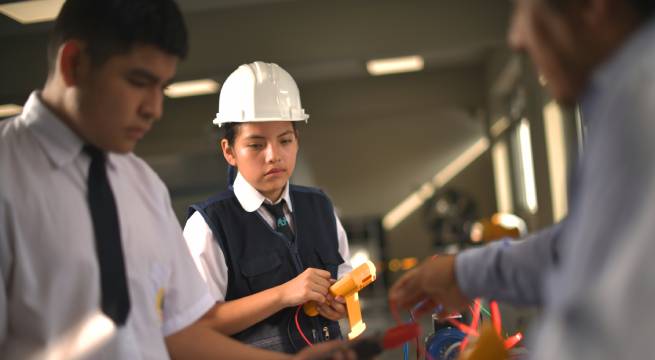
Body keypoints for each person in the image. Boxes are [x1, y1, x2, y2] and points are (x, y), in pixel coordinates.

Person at [0, 1, 354, 359]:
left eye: (163, 88)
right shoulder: (8, 177)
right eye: (139, 82)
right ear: (74, 64)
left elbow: (181, 335)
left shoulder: (141, 185)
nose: (154, 108)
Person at [389, 0, 655, 358]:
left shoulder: (638, 106)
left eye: (524, 10)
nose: (516, 38)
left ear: (592, 7)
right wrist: (463, 272)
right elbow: (578, 249)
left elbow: (606, 339)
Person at [183, 61, 353, 353]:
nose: (274, 155)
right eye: (256, 145)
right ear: (229, 151)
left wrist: (343, 304)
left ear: (297, 141)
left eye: (285, 140)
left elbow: (347, 286)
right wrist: (283, 294)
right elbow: (197, 326)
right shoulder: (208, 226)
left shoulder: (321, 208)